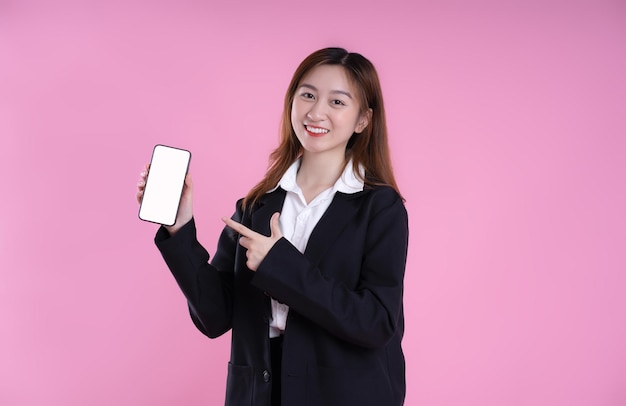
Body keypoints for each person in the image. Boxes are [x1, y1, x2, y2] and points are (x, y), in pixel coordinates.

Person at [136, 47, 408, 406]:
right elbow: (214, 316)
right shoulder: (256, 205)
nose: (316, 112)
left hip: (344, 393)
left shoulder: (380, 207)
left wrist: (279, 264)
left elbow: (376, 322)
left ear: (362, 120)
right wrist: (179, 227)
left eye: (337, 102)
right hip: (260, 392)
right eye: (307, 95)